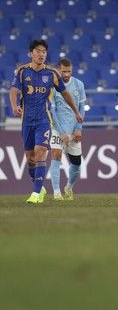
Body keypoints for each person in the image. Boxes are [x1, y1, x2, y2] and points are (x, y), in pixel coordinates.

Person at [9, 39, 83, 204]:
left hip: (44, 120)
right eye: (38, 51)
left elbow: (65, 93)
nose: (41, 54)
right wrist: (14, 106)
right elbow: (13, 90)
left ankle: (36, 194)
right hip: (27, 121)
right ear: (31, 53)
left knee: (41, 151)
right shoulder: (22, 71)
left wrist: (76, 111)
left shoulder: (52, 74)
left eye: (44, 51)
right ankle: (39, 187)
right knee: (30, 158)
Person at [49, 58, 87, 200]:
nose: (66, 74)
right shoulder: (53, 86)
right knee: (56, 155)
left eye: (68, 71)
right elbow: (52, 111)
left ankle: (69, 187)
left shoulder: (79, 84)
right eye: (63, 71)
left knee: (76, 164)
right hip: (57, 129)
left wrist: (78, 128)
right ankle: (57, 193)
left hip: (74, 129)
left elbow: (82, 108)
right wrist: (61, 132)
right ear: (58, 70)